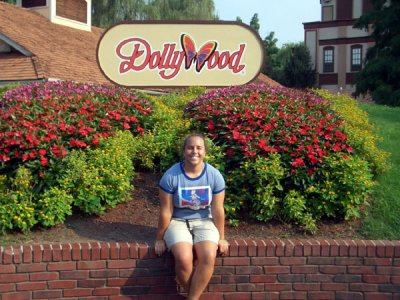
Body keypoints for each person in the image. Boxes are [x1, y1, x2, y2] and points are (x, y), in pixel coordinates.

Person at [155, 133, 229, 300]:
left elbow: (218, 209)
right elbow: (166, 210)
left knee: (209, 255)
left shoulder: (214, 175)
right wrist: (159, 238)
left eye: (199, 148)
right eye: (190, 147)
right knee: (183, 257)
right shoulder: (171, 176)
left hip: (204, 221)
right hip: (178, 222)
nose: (194, 151)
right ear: (184, 151)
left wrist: (222, 237)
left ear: (205, 152)